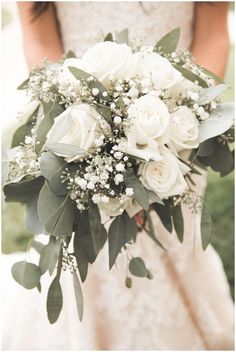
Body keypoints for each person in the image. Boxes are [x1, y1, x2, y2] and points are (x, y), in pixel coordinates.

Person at [3, 2, 233, 350]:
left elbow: (214, 35)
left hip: (174, 134)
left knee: (175, 243)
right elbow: (40, 42)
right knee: (89, 260)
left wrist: (171, 133)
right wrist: (82, 127)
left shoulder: (174, 138)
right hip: (81, 136)